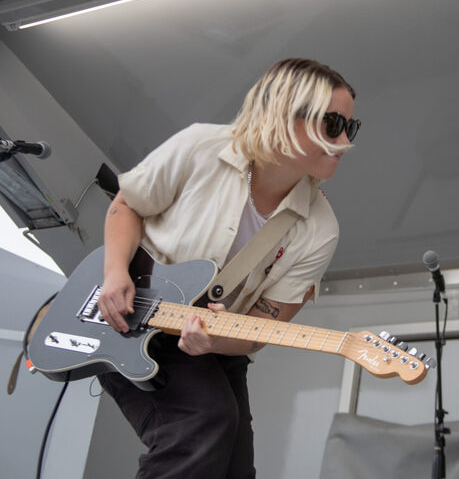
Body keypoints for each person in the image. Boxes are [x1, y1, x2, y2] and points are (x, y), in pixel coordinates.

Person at [95, 58, 360, 478]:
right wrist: (115, 274)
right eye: (332, 124)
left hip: (211, 339)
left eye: (351, 127)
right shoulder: (201, 146)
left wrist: (215, 342)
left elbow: (259, 329)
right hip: (126, 313)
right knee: (204, 423)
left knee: (235, 469)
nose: (345, 140)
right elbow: (127, 203)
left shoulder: (321, 228)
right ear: (285, 114)